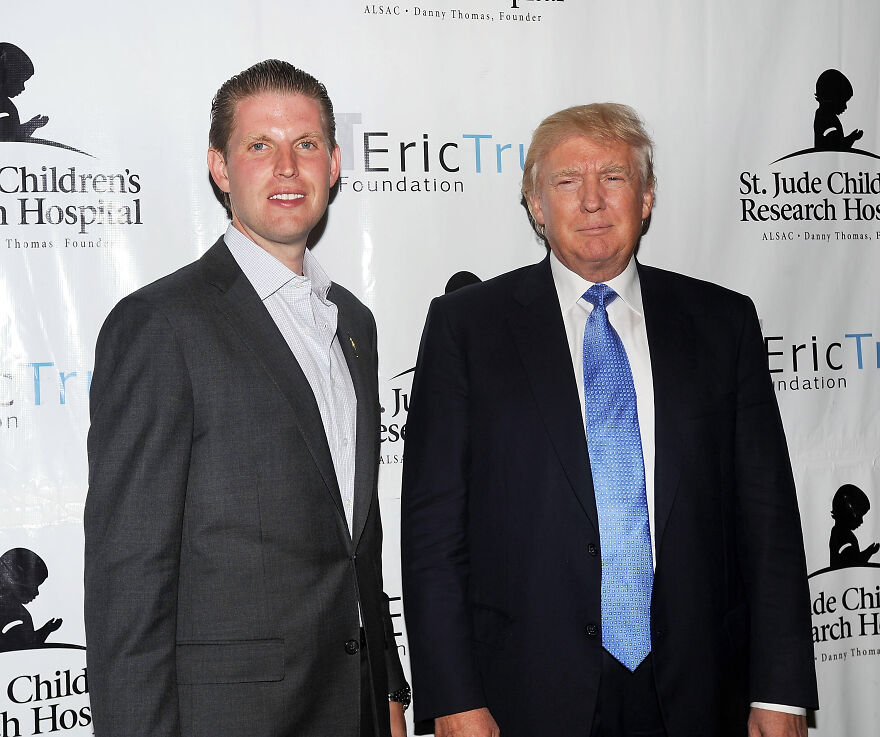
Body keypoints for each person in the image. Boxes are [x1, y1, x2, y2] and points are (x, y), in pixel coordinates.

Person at [401, 103, 817, 737]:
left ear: (646, 198)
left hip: (701, 690)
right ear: (536, 205)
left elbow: (769, 522)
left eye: (615, 178)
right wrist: (453, 698)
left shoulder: (721, 323)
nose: (592, 201)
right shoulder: (467, 328)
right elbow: (432, 532)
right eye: (567, 182)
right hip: (524, 693)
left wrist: (781, 692)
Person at [85, 60, 407, 737]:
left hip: (354, 706)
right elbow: (130, 574)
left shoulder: (354, 323)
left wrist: (389, 684)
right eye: (260, 145)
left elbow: (359, 539)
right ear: (220, 167)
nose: (287, 166)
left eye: (307, 144)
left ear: (335, 163)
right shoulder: (161, 324)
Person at [0, 548, 62, 652]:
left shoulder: (21, 615)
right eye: (34, 585)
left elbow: (27, 645)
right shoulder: (20, 616)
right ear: (16, 577)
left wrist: (47, 629)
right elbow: (27, 648)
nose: (36, 592)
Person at [829, 483, 879, 568]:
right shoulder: (843, 535)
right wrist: (869, 552)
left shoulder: (838, 532)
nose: (861, 521)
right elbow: (852, 564)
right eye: (859, 515)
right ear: (847, 510)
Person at [813, 68, 863, 151]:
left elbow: (837, 144)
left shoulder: (823, 115)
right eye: (843, 101)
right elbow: (836, 147)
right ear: (832, 98)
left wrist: (852, 138)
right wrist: (852, 138)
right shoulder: (826, 119)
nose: (845, 107)